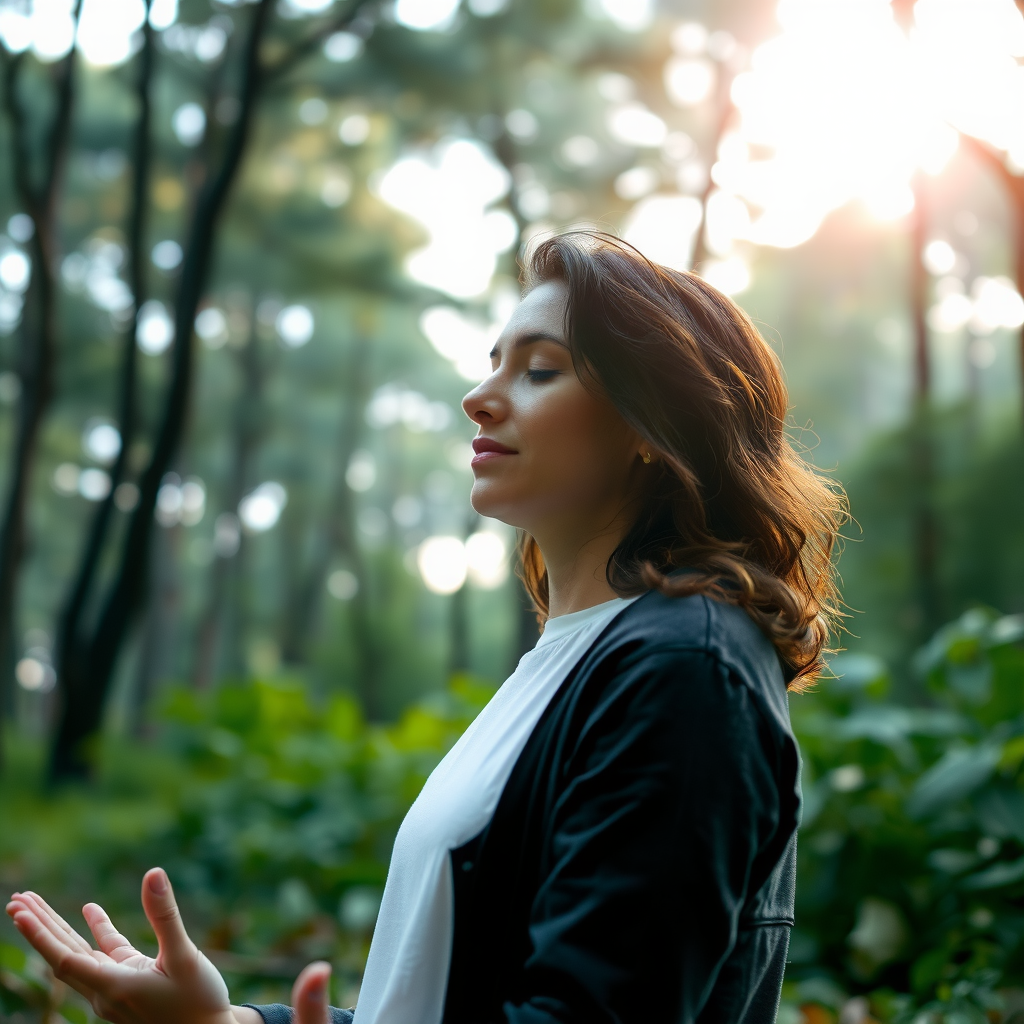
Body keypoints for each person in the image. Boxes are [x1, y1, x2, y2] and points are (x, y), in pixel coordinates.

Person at [7, 231, 845, 1024]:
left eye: (540, 370)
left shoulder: (686, 667)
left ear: (650, 426)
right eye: (493, 365)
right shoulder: (577, 660)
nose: (479, 399)